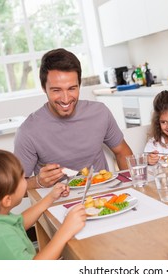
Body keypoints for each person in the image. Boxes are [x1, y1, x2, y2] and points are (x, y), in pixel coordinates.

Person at [14, 48, 133, 189]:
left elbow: (122, 152)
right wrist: (39, 181)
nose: (65, 99)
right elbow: (15, 189)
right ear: (43, 87)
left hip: (102, 196)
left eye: (71, 88)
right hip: (58, 203)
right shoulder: (28, 131)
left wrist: (131, 186)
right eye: (56, 90)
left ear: (79, 85)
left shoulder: (99, 112)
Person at [0, 149, 87, 260]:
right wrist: (65, 231)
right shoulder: (0, 236)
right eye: (21, 177)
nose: (25, 178)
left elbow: (19, 223)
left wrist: (50, 197)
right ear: (7, 200)